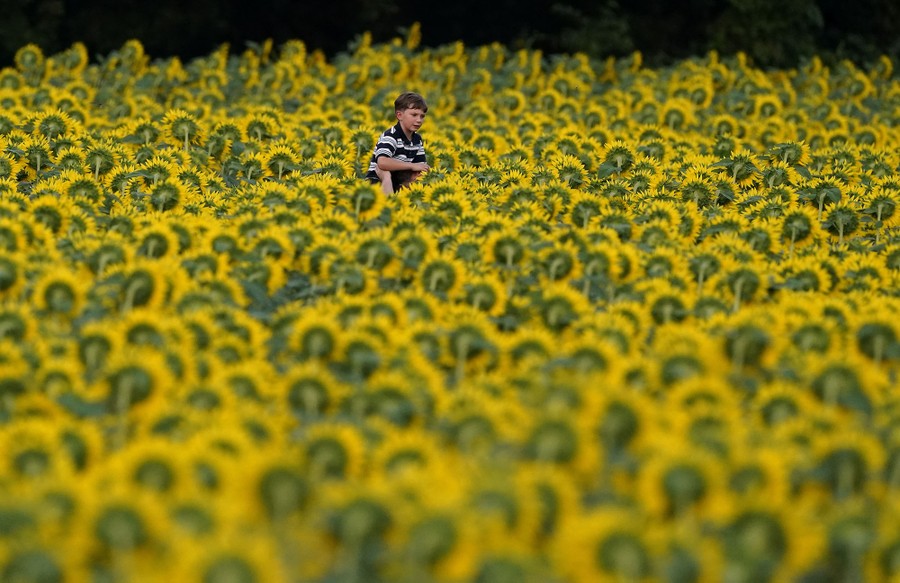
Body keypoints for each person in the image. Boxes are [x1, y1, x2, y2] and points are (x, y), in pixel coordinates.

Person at [365, 92, 430, 195]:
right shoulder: (391, 136)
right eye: (414, 115)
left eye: (422, 116)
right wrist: (412, 166)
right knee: (385, 172)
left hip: (398, 181)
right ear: (399, 115)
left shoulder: (417, 139)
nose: (419, 120)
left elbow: (421, 166)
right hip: (377, 182)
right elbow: (382, 162)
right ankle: (390, 202)